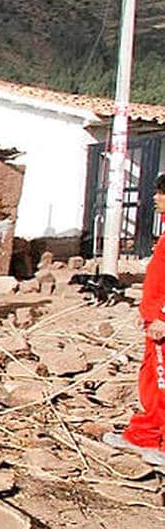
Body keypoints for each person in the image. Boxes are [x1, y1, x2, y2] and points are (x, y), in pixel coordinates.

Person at [105, 175, 165, 466]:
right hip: (154, 321)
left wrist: (161, 318)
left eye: (160, 193)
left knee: (162, 384)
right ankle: (144, 436)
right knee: (151, 380)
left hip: (162, 323)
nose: (155, 198)